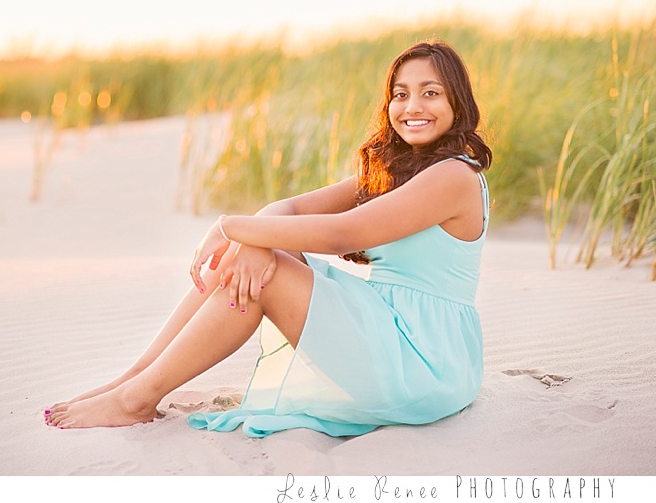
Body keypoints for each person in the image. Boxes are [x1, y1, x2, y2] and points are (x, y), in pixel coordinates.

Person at [45, 40, 492, 437]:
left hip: (426, 363)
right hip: (392, 330)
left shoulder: (453, 176)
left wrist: (230, 227)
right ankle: (135, 377)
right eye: (401, 94)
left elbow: (342, 233)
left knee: (266, 268)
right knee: (256, 254)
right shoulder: (397, 172)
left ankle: (136, 399)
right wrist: (253, 236)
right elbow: (291, 209)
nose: (412, 106)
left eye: (430, 93)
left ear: (458, 102)